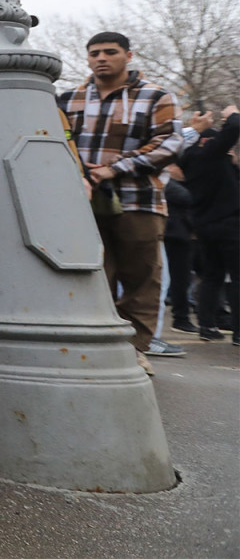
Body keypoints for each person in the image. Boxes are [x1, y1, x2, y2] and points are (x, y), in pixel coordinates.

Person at [56, 31, 185, 369]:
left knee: (141, 276)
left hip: (138, 200)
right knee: (95, 275)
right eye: (94, 52)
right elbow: (55, 144)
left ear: (128, 55)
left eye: (110, 52)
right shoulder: (68, 100)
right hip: (83, 201)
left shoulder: (156, 96)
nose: (101, 58)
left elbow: (169, 144)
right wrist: (82, 175)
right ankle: (99, 347)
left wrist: (114, 169)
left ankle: (135, 350)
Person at [179, 106, 239, 344]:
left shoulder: (189, 159)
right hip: (230, 224)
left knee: (211, 276)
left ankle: (206, 325)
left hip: (204, 225)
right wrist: (231, 114)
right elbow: (234, 127)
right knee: (237, 277)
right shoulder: (214, 155)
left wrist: (197, 127)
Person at [161, 164, 196, 335]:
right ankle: (181, 318)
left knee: (182, 278)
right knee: (177, 279)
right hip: (174, 235)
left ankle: (182, 316)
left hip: (180, 234)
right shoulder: (170, 185)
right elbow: (188, 198)